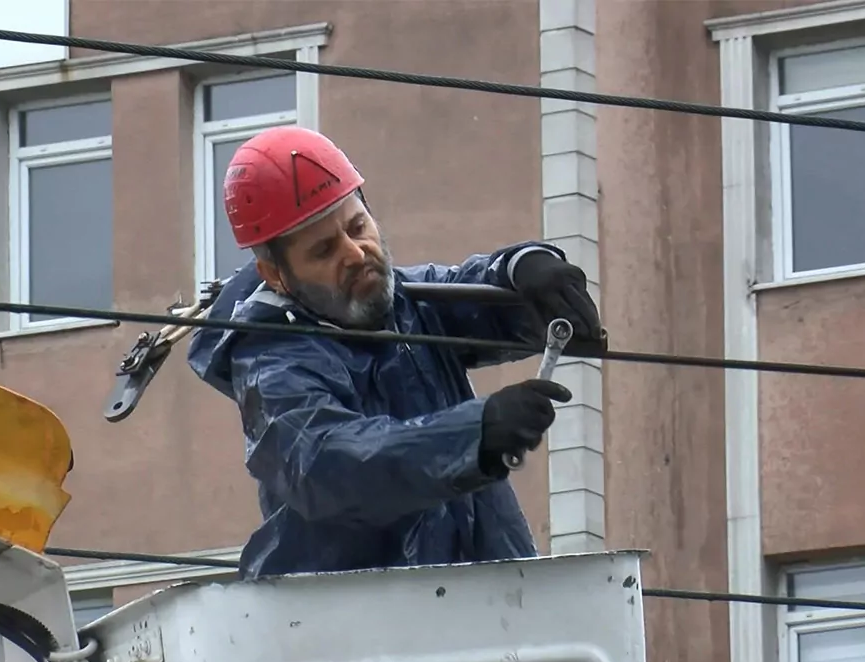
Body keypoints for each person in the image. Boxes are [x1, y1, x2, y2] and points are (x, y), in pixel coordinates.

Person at [187, 126, 603, 582]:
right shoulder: (273, 363)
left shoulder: (399, 300)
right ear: (276, 275)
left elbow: (475, 286)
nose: (355, 253)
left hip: (489, 611)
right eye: (325, 250)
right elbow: (328, 463)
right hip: (356, 632)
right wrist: (475, 434)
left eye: (357, 226)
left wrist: (527, 269)